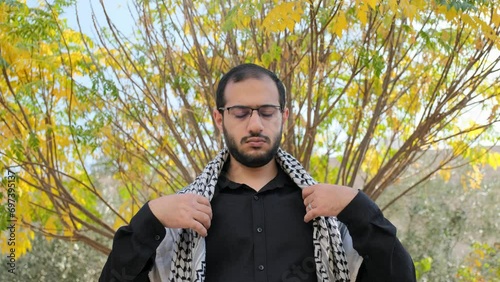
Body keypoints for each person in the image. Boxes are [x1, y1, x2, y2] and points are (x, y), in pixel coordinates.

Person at [100, 63, 416, 282]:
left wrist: (359, 208)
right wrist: (148, 219)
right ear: (219, 118)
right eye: (240, 113)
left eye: (267, 112)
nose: (255, 125)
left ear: (284, 116)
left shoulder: (328, 214)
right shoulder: (184, 217)